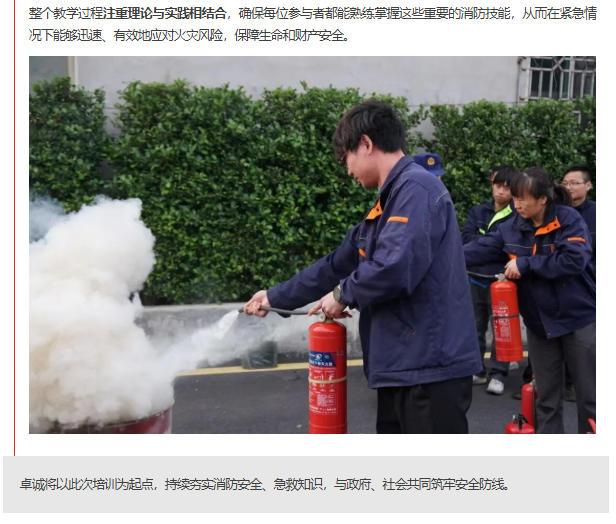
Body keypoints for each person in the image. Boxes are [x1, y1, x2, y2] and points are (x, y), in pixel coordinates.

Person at [244, 100, 482, 433]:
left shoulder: (417, 189)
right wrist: (274, 297)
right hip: (402, 366)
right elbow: (335, 264)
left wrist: (342, 294)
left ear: (366, 144)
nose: (348, 171)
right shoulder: (389, 203)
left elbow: (394, 267)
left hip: (429, 370)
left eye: (346, 158)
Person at [464, 167, 596, 433]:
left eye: (522, 199)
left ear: (543, 199)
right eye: (515, 198)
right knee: (545, 398)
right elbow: (481, 248)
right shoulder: (512, 227)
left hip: (578, 321)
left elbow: (574, 259)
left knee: (590, 398)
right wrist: (443, 255)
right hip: (539, 325)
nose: (517, 204)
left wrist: (526, 263)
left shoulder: (568, 219)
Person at [461, 166, 516, 395]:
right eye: (497, 185)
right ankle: (478, 369)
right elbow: (466, 239)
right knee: (475, 327)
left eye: (506, 187)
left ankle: (498, 374)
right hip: (474, 278)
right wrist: (489, 245)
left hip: (501, 281)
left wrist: (483, 244)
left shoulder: (515, 215)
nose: (501, 191)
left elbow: (505, 247)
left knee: (502, 329)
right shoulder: (478, 211)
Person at [561, 164, 596, 402]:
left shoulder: (596, 213)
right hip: (562, 284)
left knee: (583, 342)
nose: (569, 187)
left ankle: (578, 385)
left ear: (588, 185)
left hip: (588, 284)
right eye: (565, 183)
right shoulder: (557, 213)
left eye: (574, 183)